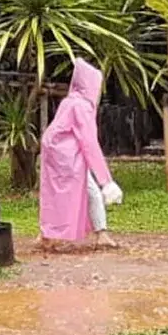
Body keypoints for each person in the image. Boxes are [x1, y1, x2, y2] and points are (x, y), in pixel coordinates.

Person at [39, 59, 123, 249]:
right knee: (90, 191)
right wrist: (106, 180)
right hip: (69, 157)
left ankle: (46, 234)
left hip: (54, 153)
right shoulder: (82, 107)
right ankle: (100, 233)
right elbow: (89, 142)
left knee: (53, 194)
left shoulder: (69, 102)